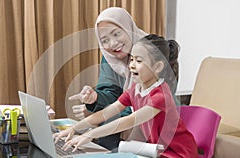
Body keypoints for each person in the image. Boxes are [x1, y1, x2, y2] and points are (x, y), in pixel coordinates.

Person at [54, 34, 198, 158]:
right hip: (156, 149)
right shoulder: (136, 89)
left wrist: (90, 135)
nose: (132, 65)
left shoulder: (161, 96)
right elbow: (106, 113)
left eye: (139, 61)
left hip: (178, 154)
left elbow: (128, 121)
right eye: (132, 59)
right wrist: (75, 128)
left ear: (158, 67)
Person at [69, 7, 179, 150]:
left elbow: (134, 113)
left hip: (160, 125)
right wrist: (94, 99)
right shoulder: (112, 61)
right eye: (105, 40)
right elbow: (112, 100)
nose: (113, 44)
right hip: (134, 113)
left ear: (128, 28)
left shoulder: (153, 52)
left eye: (116, 34)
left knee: (109, 127)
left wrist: (92, 132)